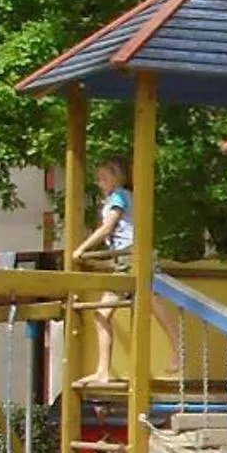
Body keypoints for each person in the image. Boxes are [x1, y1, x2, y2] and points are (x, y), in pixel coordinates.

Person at [69, 158, 133, 385]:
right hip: (123, 260)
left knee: (149, 305)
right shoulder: (119, 197)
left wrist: (82, 249)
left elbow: (107, 228)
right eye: (99, 178)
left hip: (129, 260)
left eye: (104, 178)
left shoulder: (118, 197)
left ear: (117, 178)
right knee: (101, 315)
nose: (100, 182)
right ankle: (103, 371)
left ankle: (177, 350)